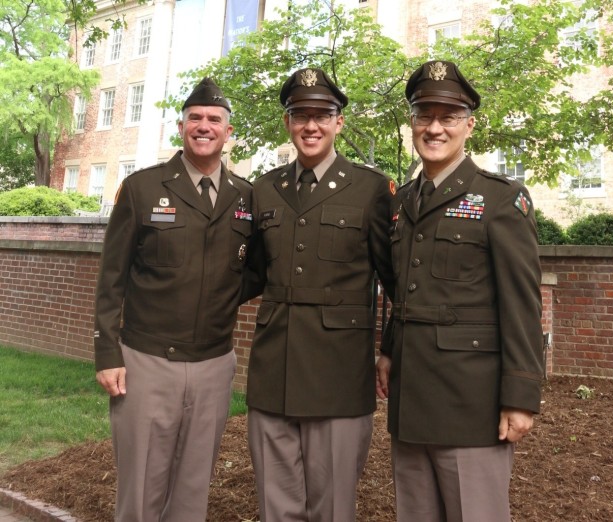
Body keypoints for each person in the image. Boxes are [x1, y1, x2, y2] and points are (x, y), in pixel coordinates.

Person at [376, 60, 544, 522]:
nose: (434, 128)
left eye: (447, 117)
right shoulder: (404, 201)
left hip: (471, 403)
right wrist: (389, 350)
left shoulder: (500, 199)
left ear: (468, 125)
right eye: (423, 115)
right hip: (412, 399)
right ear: (412, 122)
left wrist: (521, 396)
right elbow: (405, 289)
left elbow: (522, 304)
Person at [93, 78, 253, 522]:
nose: (205, 126)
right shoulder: (143, 188)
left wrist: (220, 297)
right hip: (146, 362)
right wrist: (107, 352)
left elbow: (252, 269)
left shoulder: (246, 196)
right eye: (196, 118)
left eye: (214, 119)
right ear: (180, 126)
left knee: (192, 488)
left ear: (228, 131)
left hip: (213, 364)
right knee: (141, 489)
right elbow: (111, 278)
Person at [243, 67, 395, 522]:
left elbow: (395, 280)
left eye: (322, 115)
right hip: (274, 369)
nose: (311, 125)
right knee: (276, 503)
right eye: (300, 115)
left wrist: (389, 349)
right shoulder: (264, 188)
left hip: (339, 374)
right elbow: (247, 274)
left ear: (339, 122)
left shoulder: (371, 189)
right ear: (288, 123)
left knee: (332, 507)